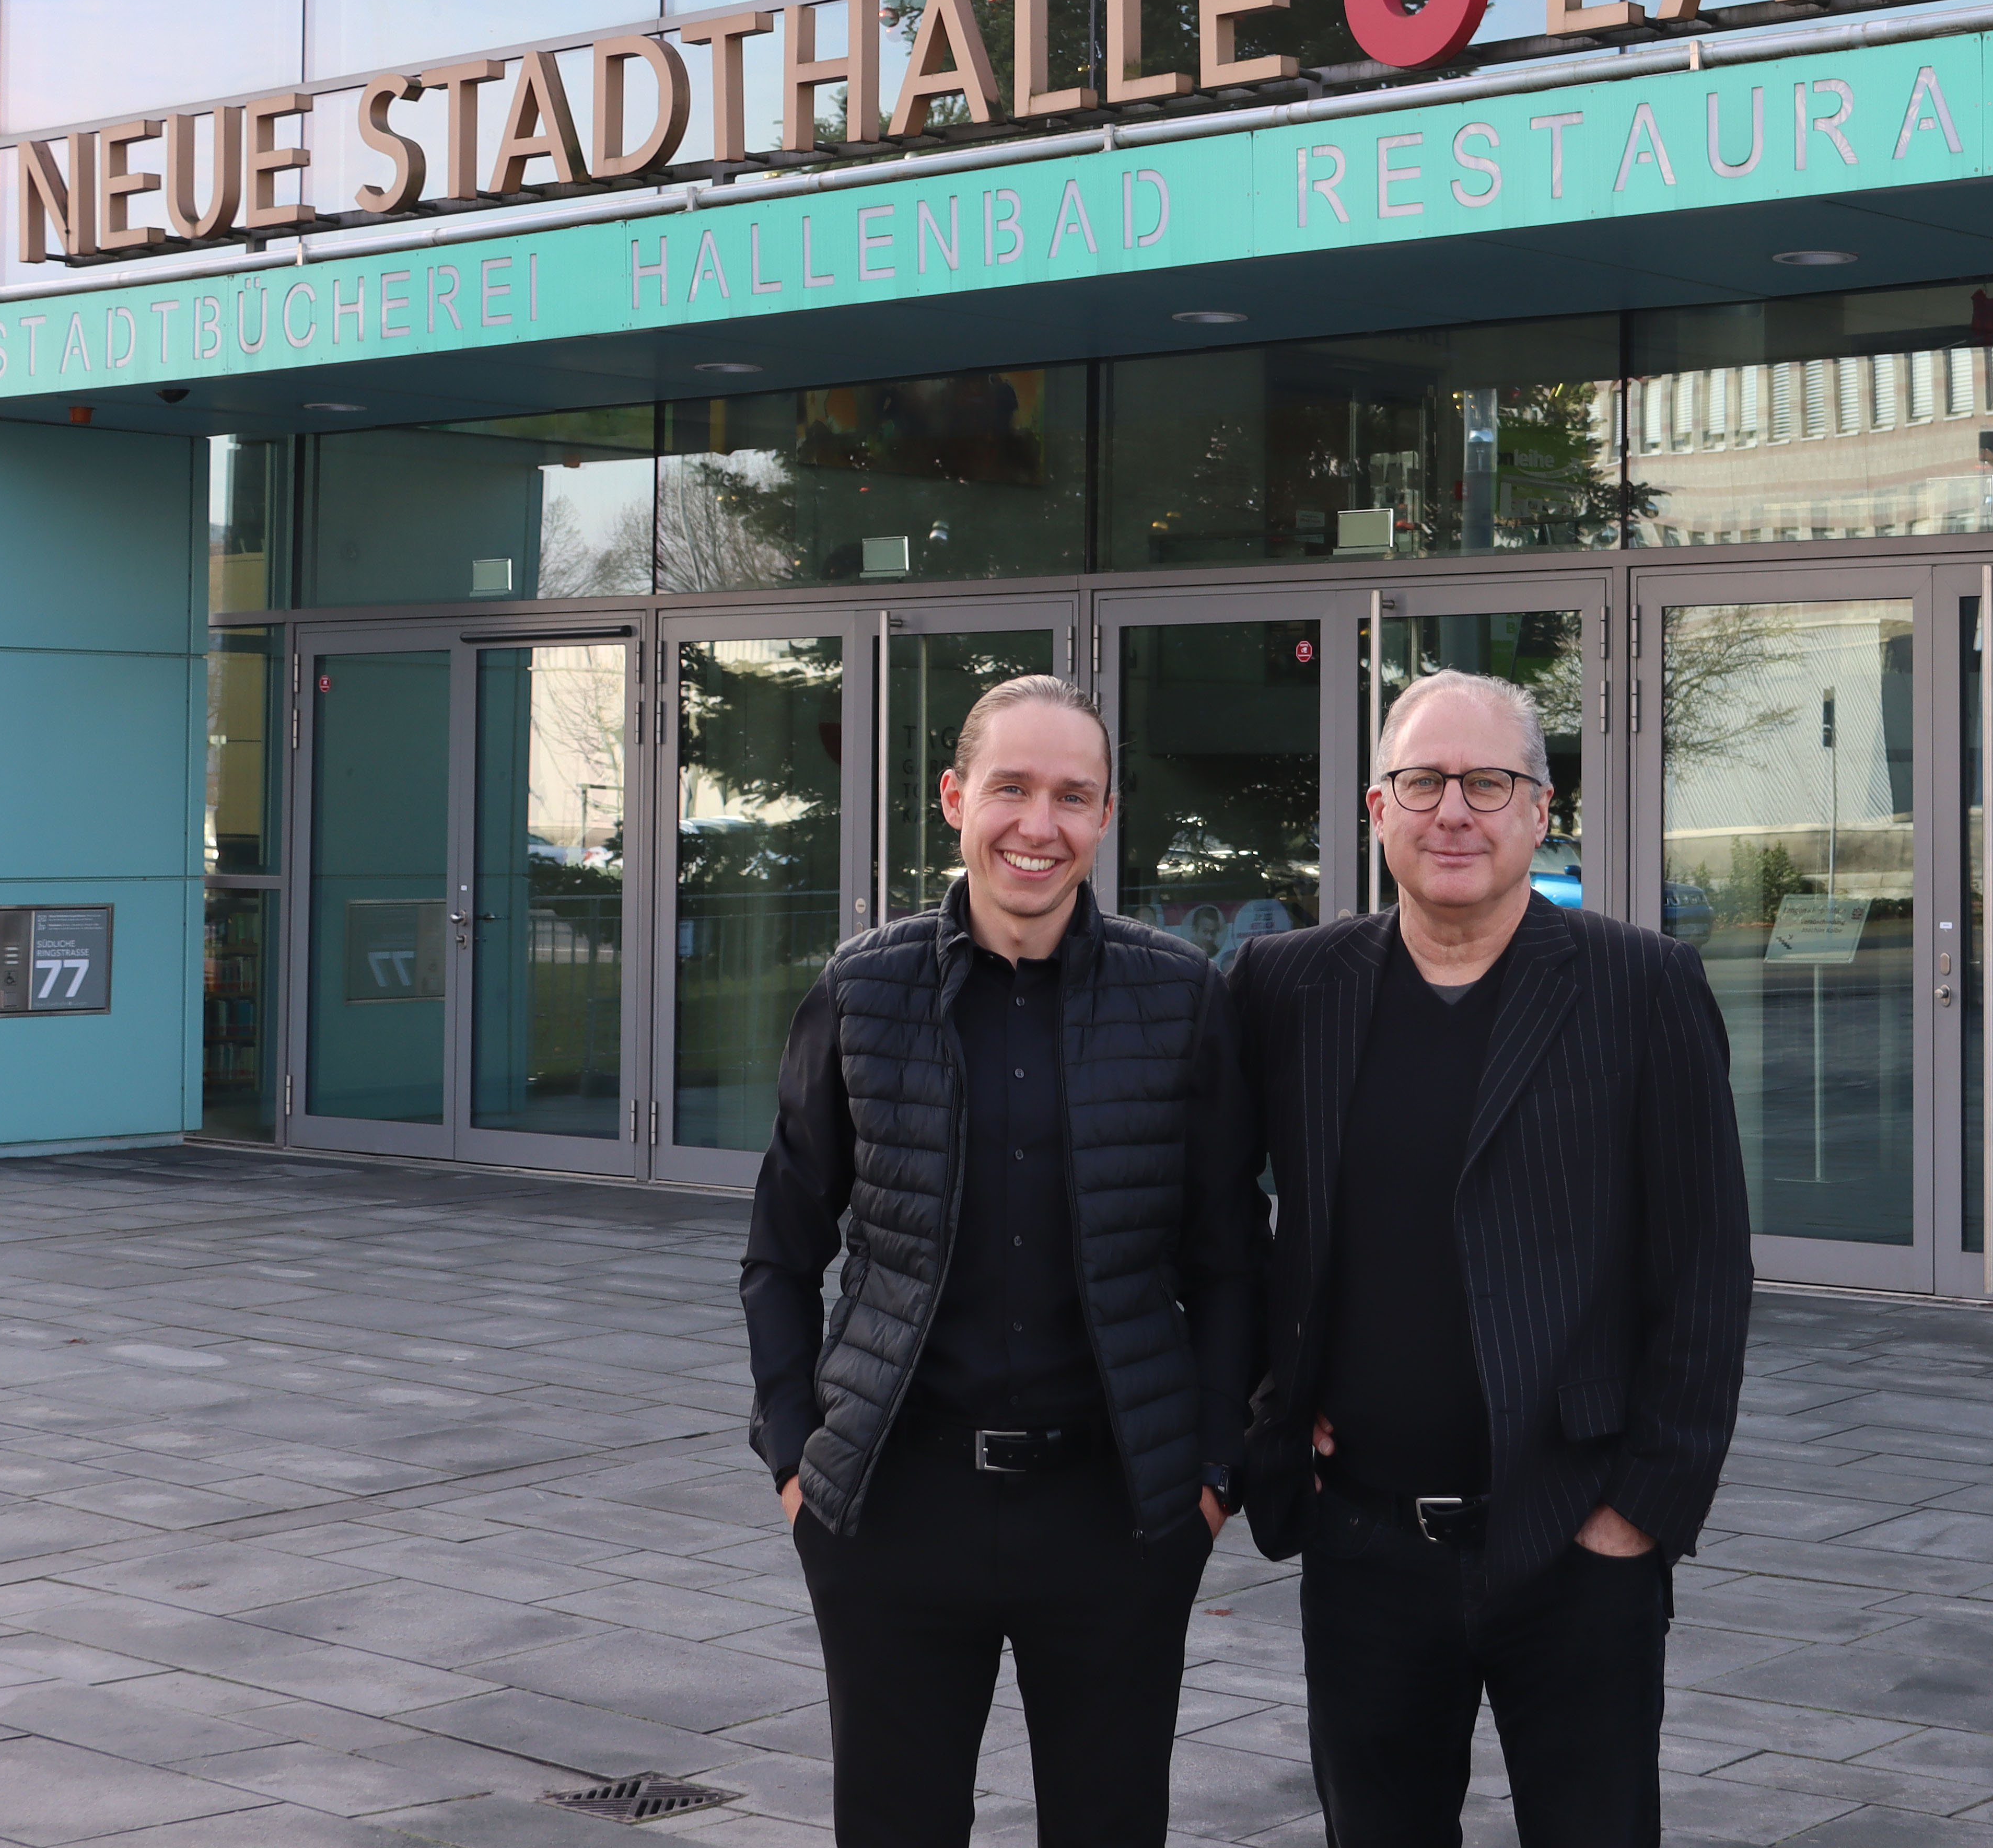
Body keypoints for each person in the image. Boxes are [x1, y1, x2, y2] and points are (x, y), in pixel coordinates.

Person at [1228, 669, 1753, 1848]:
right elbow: (1212, 1220)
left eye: (1488, 783)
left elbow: (1706, 1271)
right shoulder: (1288, 988)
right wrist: (1272, 1402)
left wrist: (1638, 1514)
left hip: (1576, 1546)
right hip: (1365, 1543)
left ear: (1540, 809)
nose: (1453, 811)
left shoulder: (1643, 988)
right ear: (1378, 808)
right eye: (1423, 782)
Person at [740, 673, 1262, 1848]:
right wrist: (795, 1459)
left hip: (1119, 1514)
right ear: (953, 798)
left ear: (1107, 816)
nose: (1040, 824)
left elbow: (1232, 1261)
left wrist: (1212, 1476)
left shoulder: (1180, 1001)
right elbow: (780, 1252)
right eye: (1011, 788)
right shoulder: (862, 991)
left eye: (1073, 795)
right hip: (894, 1509)